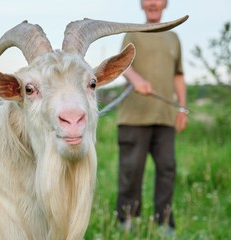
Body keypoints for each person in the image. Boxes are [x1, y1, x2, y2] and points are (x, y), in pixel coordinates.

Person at [115, 0, 188, 233]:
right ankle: (126, 220)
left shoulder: (174, 38)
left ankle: (164, 222)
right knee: (131, 171)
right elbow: (122, 66)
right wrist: (137, 80)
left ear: (165, 4)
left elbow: (178, 75)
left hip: (165, 118)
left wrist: (182, 108)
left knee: (167, 169)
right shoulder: (132, 34)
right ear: (142, 5)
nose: (153, 3)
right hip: (133, 118)